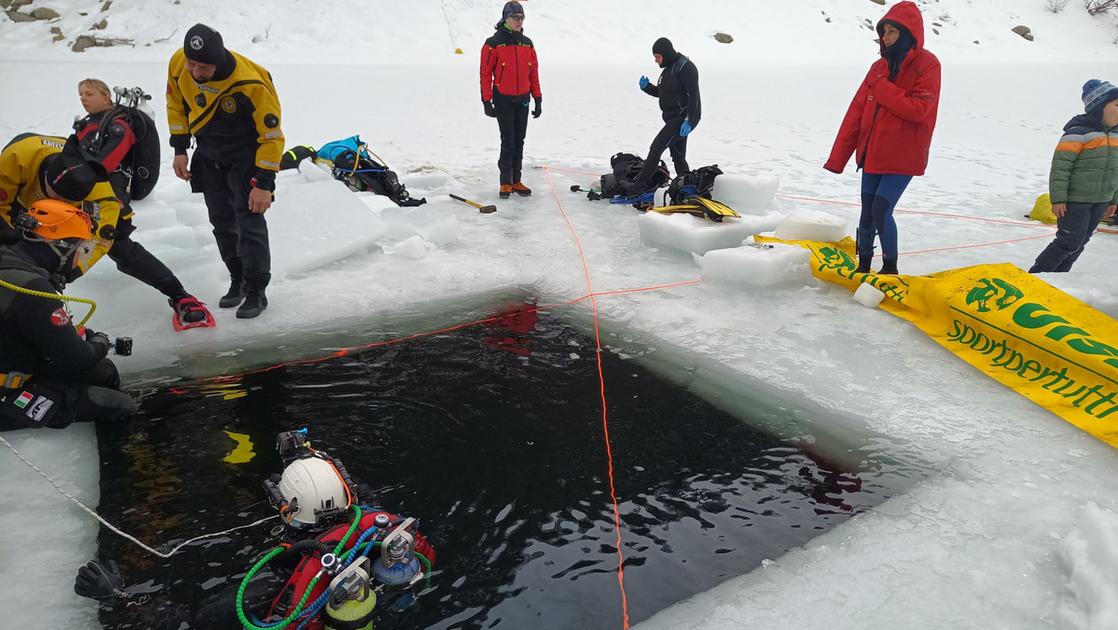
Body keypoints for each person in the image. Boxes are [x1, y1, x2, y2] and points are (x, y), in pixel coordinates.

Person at [73, 79, 214, 330]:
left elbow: (104, 163)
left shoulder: (118, 125)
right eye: (81, 94)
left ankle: (181, 296)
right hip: (81, 196)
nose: (84, 98)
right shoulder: (87, 126)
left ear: (107, 97)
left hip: (108, 197)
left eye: (90, 93)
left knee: (120, 248)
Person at [167, 23, 283, 319]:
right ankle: (238, 279)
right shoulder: (180, 63)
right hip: (209, 153)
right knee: (220, 220)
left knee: (250, 223)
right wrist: (180, 148)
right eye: (191, 64)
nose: (194, 72)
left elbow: (272, 138)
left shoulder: (251, 84)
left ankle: (257, 290)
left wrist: (263, 184)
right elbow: (176, 104)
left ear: (218, 61)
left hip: (246, 157)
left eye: (202, 67)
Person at [824, 0, 941, 275]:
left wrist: (882, 86)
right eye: (884, 31)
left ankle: (890, 268)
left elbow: (918, 110)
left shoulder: (928, 64)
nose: (885, 37)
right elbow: (856, 112)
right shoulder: (879, 66)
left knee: (880, 210)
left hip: (904, 156)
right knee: (867, 212)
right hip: (872, 154)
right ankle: (863, 266)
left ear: (908, 33)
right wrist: (838, 158)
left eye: (892, 31)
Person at [0, 199, 135, 431]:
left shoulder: (10, 262)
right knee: (121, 407)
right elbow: (76, 358)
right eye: (81, 249)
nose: (78, 259)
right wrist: (100, 342)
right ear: (59, 246)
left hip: (13, 362)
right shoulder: (30, 288)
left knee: (103, 373)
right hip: (7, 394)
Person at [1029, 80, 1118, 273]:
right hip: (1075, 201)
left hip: (1101, 201)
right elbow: (1060, 169)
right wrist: (1059, 199)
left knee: (1081, 241)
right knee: (1069, 240)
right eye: (1117, 105)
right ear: (1098, 108)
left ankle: (1059, 277)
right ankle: (1037, 275)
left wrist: (1113, 200)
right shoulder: (1077, 133)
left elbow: (1115, 171)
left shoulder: (1116, 136)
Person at [480, 1, 542, 199]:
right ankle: (505, 182)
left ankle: (517, 180)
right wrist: (486, 101)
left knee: (520, 141)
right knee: (508, 142)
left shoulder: (527, 43)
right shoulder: (493, 43)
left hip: (523, 99)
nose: (518, 21)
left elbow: (533, 74)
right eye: (515, 17)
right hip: (503, 99)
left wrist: (538, 98)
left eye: (521, 17)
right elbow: (485, 73)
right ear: (505, 18)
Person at [629, 37, 701, 195]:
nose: (656, 61)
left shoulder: (685, 67)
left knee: (656, 148)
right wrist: (647, 87)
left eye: (657, 56)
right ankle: (685, 185)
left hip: (683, 119)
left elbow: (694, 94)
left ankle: (638, 187)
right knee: (678, 156)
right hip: (673, 119)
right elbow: (662, 93)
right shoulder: (668, 71)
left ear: (666, 53)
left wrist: (690, 120)